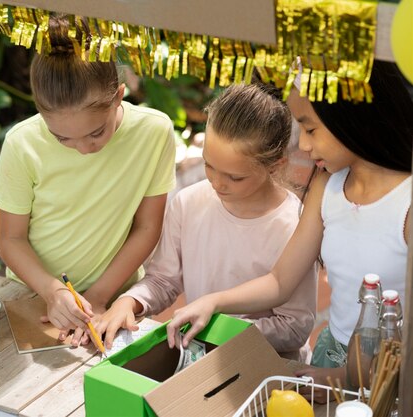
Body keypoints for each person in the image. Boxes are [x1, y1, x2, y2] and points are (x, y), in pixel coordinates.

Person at [165, 61, 413, 401]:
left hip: (392, 375)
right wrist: (213, 302)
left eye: (310, 130)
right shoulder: (328, 185)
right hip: (334, 356)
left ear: (354, 120)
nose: (304, 147)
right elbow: (280, 281)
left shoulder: (405, 204)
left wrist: (347, 378)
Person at [98, 83, 317, 361]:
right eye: (208, 165)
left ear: (274, 165)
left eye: (234, 177)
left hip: (269, 367)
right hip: (204, 359)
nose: (216, 183)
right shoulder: (188, 203)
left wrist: (215, 328)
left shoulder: (294, 225)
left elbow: (294, 327)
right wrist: (129, 301)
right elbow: (163, 280)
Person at [0, 14, 176, 342]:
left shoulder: (154, 132)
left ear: (118, 96)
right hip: (33, 296)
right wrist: (52, 292)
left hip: (116, 297)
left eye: (96, 133)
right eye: (61, 138)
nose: (82, 148)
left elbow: (148, 226)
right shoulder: (22, 143)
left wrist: (100, 296)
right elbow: (10, 239)